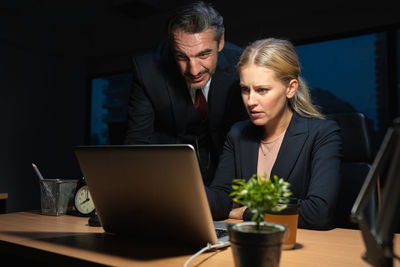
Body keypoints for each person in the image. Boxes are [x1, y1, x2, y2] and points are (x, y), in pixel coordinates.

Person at [205, 38, 342, 230]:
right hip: (252, 240)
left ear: (290, 88)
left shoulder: (322, 134)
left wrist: (247, 212)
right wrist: (187, 190)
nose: (251, 101)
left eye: (262, 90)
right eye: (245, 90)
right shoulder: (237, 134)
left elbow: (318, 212)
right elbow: (222, 200)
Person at [124, 1, 246, 185]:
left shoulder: (242, 65)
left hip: (227, 177)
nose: (194, 70)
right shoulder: (147, 69)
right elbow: (137, 142)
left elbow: (250, 140)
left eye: (203, 55)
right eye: (181, 57)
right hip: (165, 177)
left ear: (220, 42)